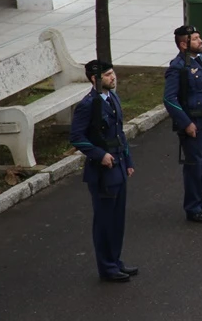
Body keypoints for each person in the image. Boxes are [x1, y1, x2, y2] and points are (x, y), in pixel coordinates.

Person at [69, 60, 137, 282]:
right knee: (105, 220)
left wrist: (127, 160)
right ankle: (107, 267)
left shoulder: (112, 97)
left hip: (118, 165)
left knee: (118, 219)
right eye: (107, 75)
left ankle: (116, 261)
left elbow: (119, 133)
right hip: (102, 171)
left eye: (112, 73)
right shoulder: (88, 104)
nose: (113, 77)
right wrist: (99, 154)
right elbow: (77, 137)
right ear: (94, 79)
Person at [163, 25, 202, 224]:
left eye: (199, 37)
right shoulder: (178, 67)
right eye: (196, 39)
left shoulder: (201, 60)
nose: (200, 41)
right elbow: (170, 99)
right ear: (183, 44)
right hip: (193, 124)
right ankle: (193, 207)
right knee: (194, 166)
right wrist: (186, 123)